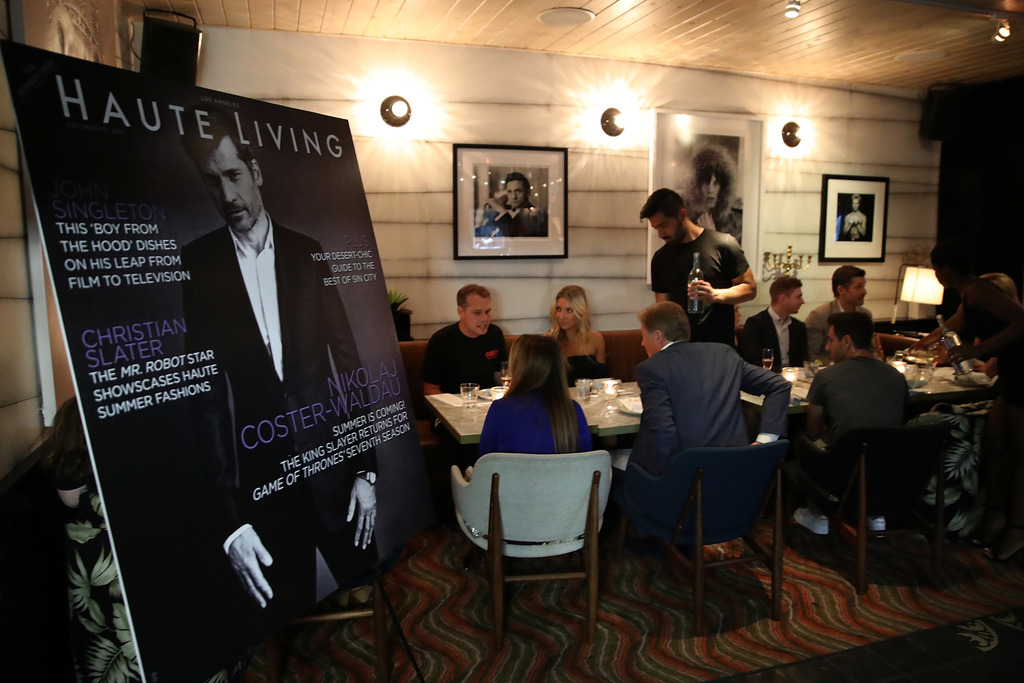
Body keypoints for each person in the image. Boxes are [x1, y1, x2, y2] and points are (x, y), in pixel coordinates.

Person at [180, 108, 377, 616]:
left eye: (233, 175)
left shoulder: (308, 252)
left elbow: (349, 367)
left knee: (364, 592)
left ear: (255, 172)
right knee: (282, 616)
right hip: (264, 483)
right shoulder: (198, 264)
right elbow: (207, 400)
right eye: (212, 181)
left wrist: (366, 470)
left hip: (335, 469)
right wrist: (231, 521)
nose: (227, 195)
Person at [911, 244, 1024, 561]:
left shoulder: (978, 289)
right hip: (1011, 373)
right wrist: (921, 344)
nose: (936, 274)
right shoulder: (969, 294)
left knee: (1019, 454)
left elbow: (1022, 320)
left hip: (1021, 371)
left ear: (945, 270)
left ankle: (1016, 531)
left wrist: (980, 349)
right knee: (994, 444)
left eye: (936, 268)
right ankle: (996, 515)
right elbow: (952, 325)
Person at [625, 302, 790, 477]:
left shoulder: (652, 368)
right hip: (740, 474)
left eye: (644, 336)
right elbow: (779, 385)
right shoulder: (723, 354)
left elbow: (662, 432)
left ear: (658, 336)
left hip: (689, 478)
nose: (642, 343)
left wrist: (672, 481)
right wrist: (764, 442)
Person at [792, 311, 908, 535]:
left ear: (846, 341)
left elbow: (813, 430)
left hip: (843, 477)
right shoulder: (897, 376)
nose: (827, 347)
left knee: (802, 438)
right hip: (892, 475)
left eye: (831, 340)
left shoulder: (827, 376)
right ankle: (875, 514)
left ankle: (817, 513)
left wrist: (831, 428)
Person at [641, 188, 756, 347]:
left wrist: (715, 294)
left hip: (718, 349)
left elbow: (750, 288)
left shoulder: (724, 244)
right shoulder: (660, 258)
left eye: (664, 226)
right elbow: (662, 310)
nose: (660, 234)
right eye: (656, 229)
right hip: (680, 351)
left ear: (682, 215)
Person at [475, 335, 592, 464]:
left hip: (512, 477)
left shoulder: (500, 409)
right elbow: (585, 462)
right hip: (564, 477)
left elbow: (485, 461)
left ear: (517, 368)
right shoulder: (572, 410)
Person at [422, 284, 507, 395]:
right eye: (477, 313)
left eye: (487, 312)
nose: (485, 318)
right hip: (453, 401)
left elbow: (501, 374)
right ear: (461, 311)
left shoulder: (495, 333)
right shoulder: (441, 340)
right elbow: (430, 389)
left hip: (489, 400)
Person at [740, 276, 809, 372]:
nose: (802, 302)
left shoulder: (799, 327)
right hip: (767, 377)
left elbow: (803, 360)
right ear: (783, 299)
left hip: (795, 377)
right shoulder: (755, 324)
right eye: (798, 297)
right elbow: (754, 361)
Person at [804, 265, 872, 361]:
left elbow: (871, 350)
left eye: (864, 286)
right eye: (858, 287)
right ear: (841, 290)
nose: (864, 292)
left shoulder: (865, 315)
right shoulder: (819, 316)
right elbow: (812, 355)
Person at [546, 285, 609, 384]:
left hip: (590, 393)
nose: (561, 316)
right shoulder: (547, 341)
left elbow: (602, 381)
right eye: (558, 309)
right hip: (559, 394)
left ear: (580, 312)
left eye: (569, 310)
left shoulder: (596, 339)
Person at [689, 144, 743, 244]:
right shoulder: (690, 222)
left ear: (723, 187)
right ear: (698, 185)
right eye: (706, 182)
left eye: (716, 183)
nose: (710, 189)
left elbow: (735, 254)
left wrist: (711, 235)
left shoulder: (737, 224)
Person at [475, 172, 548, 238]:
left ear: (528, 192)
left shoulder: (539, 215)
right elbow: (481, 232)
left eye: (518, 191)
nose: (513, 197)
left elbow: (514, 236)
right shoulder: (502, 212)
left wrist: (501, 210)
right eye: (509, 192)